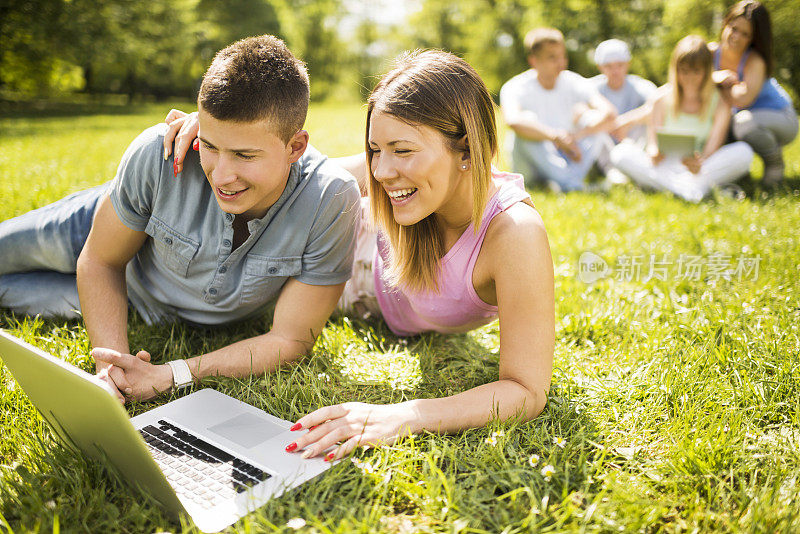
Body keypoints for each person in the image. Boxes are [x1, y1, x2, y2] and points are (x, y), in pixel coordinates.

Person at [166, 50, 555, 462]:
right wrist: (218, 138)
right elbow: (292, 175)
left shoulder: (514, 234)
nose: (382, 172)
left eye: (402, 151)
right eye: (375, 150)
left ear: (466, 149)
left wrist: (405, 416)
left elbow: (525, 389)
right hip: (317, 265)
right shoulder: (383, 182)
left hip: (344, 295)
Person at [0, 35, 360, 402]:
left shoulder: (330, 201)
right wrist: (112, 367)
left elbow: (290, 340)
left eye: (244, 155)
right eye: (210, 146)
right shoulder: (158, 152)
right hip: (92, 233)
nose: (221, 176)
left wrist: (173, 373)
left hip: (136, 303)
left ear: (295, 147)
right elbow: (101, 260)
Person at [610, 35, 754, 202]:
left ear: (707, 71)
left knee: (744, 152)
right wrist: (655, 153)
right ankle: (690, 191)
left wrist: (698, 163)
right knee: (620, 152)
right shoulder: (661, 99)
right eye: (684, 71)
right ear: (675, 69)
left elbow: (712, 150)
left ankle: (681, 188)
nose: (689, 78)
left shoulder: (719, 102)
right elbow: (652, 144)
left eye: (696, 72)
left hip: (699, 167)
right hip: (665, 166)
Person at [500, 27, 617, 192]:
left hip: (568, 154)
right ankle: (572, 184)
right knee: (527, 120)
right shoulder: (515, 86)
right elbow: (513, 120)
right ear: (534, 61)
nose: (561, 63)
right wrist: (555, 137)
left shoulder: (573, 81)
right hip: (531, 163)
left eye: (563, 56)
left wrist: (575, 137)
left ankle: (567, 182)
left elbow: (608, 112)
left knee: (592, 118)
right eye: (552, 57)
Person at [710, 0, 798, 186]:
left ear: (753, 39)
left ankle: (774, 164)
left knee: (743, 125)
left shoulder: (755, 61)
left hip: (781, 117)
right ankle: (739, 173)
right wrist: (716, 77)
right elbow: (691, 83)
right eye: (733, 28)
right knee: (720, 124)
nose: (735, 36)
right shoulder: (711, 53)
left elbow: (743, 99)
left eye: (745, 34)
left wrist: (719, 83)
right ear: (725, 23)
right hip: (742, 118)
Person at [591, 39, 658, 182]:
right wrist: (610, 126)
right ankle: (611, 170)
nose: (615, 71)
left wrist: (626, 122)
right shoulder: (591, 87)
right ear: (600, 67)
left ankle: (637, 167)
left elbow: (658, 108)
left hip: (633, 142)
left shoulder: (642, 86)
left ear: (628, 64)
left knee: (651, 122)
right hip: (605, 143)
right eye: (608, 66)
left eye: (620, 65)